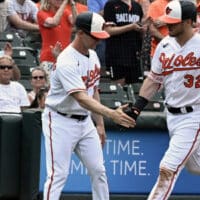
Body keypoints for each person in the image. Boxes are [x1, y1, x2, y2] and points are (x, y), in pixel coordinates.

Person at [42, 11, 135, 200]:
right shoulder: (66, 60)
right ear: (81, 33)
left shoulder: (92, 56)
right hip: (60, 120)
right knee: (58, 175)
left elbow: (93, 91)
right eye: (95, 36)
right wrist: (111, 114)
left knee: (99, 171)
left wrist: (99, 124)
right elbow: (81, 97)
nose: (98, 41)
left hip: (84, 121)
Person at [129, 1, 200, 199]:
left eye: (173, 22)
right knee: (195, 167)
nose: (168, 25)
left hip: (195, 114)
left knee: (167, 169)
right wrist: (137, 107)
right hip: (173, 115)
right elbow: (154, 79)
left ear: (188, 22)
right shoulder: (165, 45)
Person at [104, 0, 147, 86]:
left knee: (135, 88)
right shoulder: (111, 4)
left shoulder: (137, 6)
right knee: (119, 88)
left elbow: (140, 34)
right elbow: (108, 31)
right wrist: (131, 27)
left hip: (134, 55)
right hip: (116, 55)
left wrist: (143, 29)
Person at [37, 0, 78, 76]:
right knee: (50, 86)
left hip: (66, 58)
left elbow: (76, 22)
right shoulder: (42, 13)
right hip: (49, 58)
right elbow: (54, 22)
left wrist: (72, 5)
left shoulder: (65, 12)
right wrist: (65, 3)